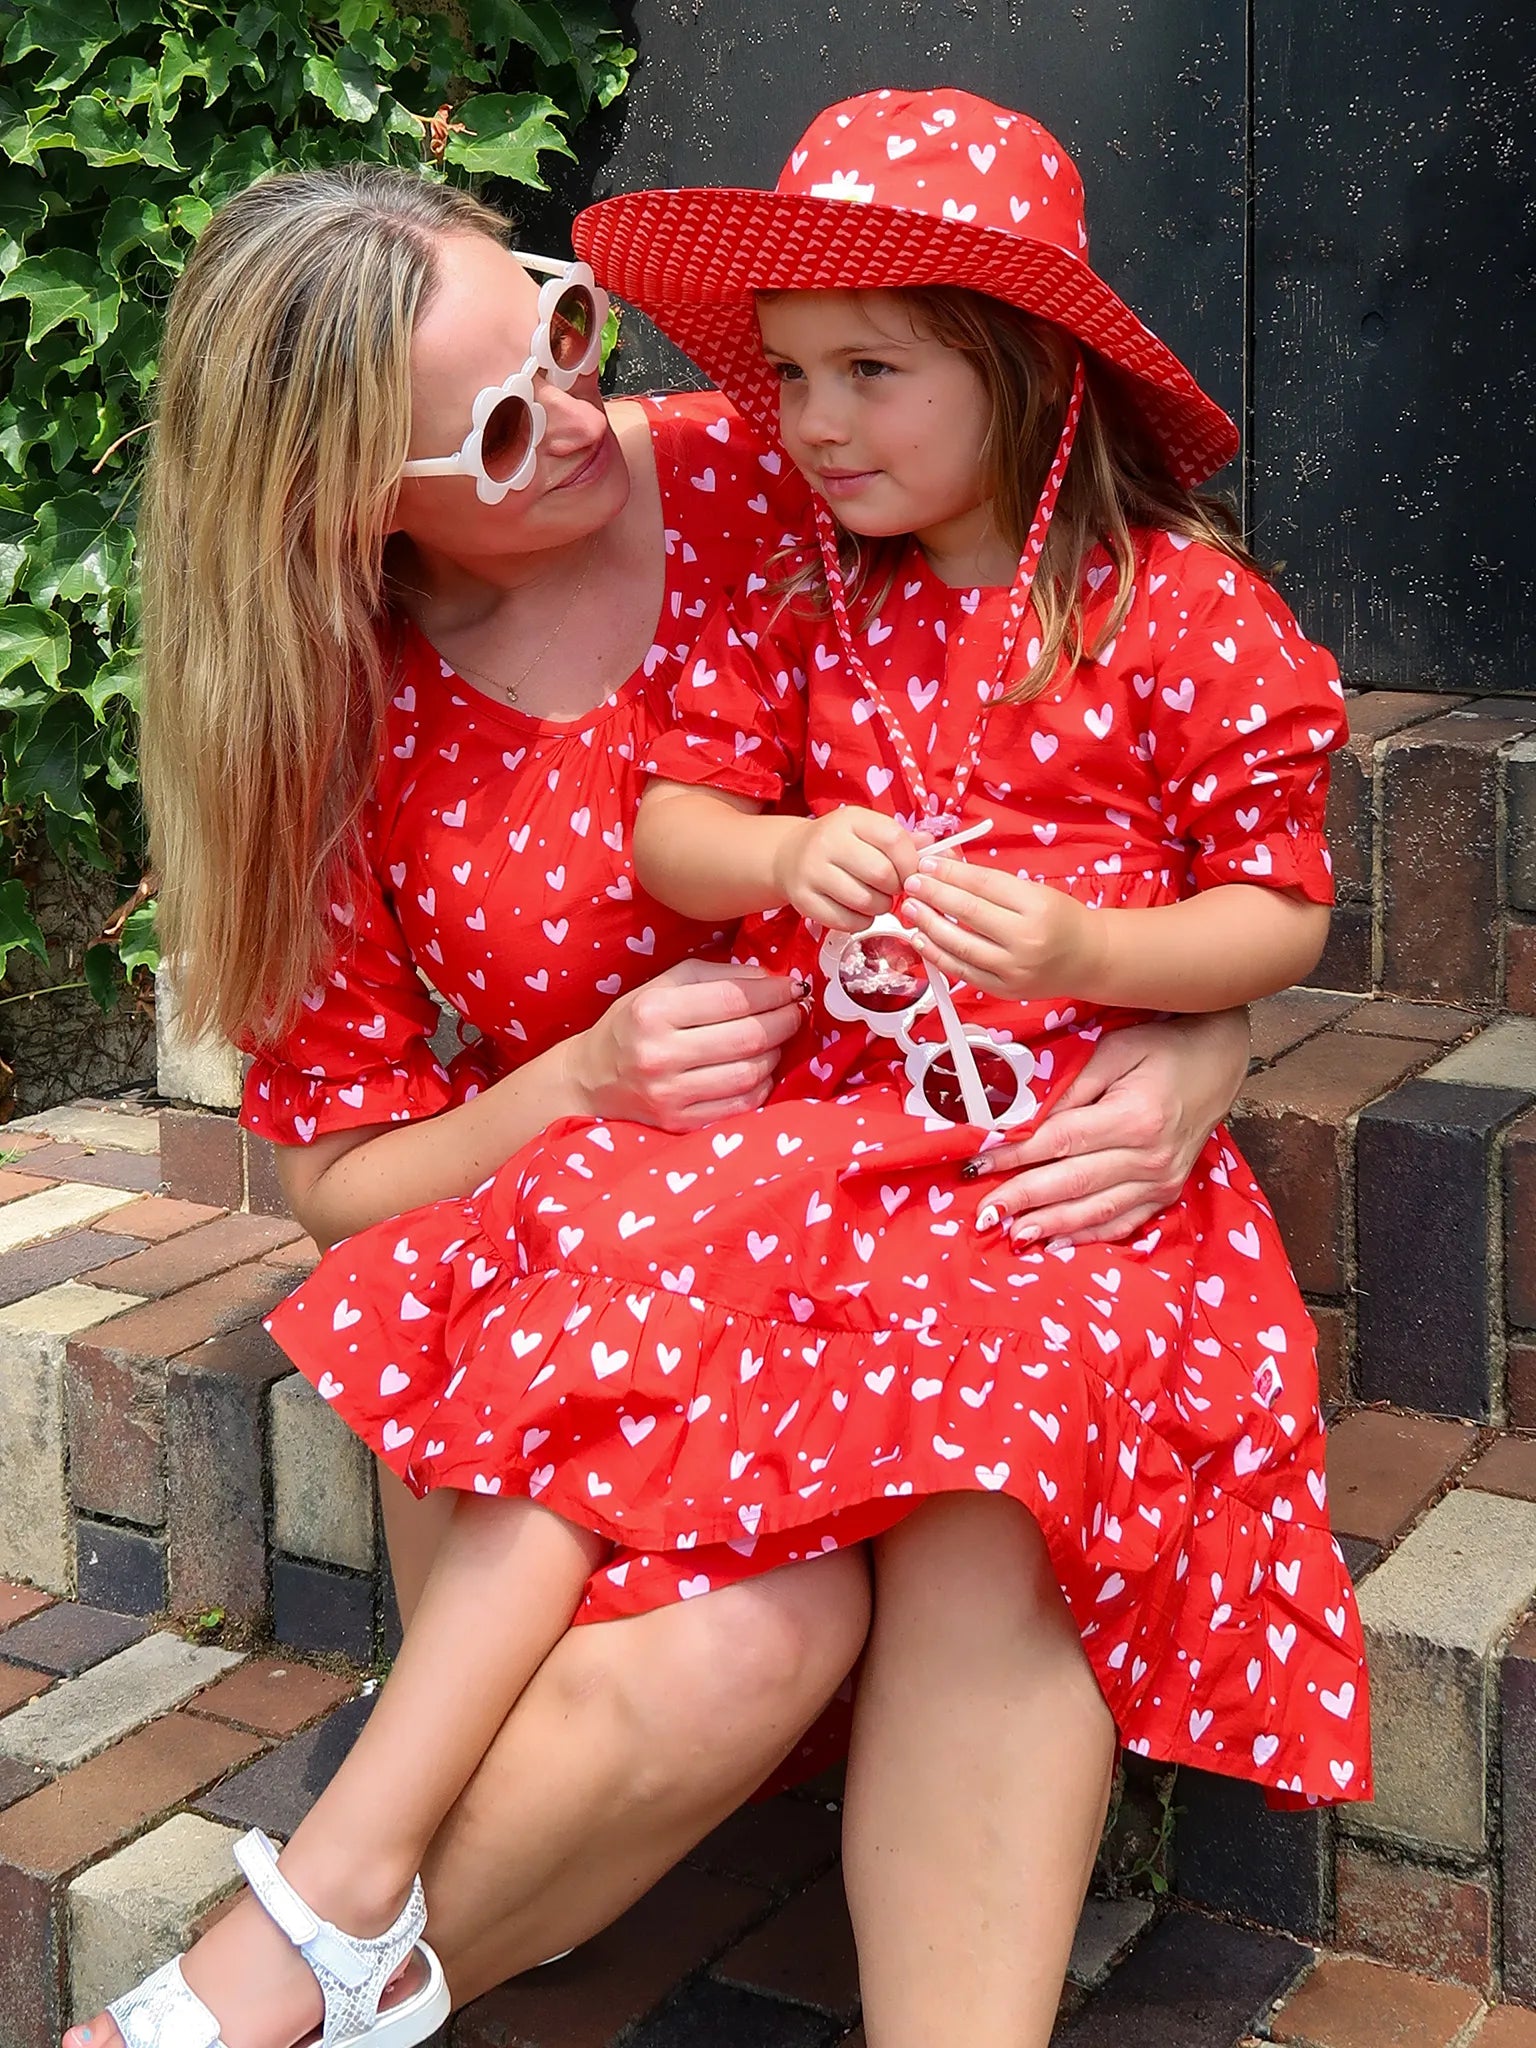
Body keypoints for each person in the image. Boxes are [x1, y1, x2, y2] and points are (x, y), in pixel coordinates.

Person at [75, 145, 1259, 2048]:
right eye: (486, 432)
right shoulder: (335, 722)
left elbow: (1137, 729)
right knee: (743, 1641)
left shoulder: (773, 460)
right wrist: (578, 1080)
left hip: (893, 1222)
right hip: (582, 1287)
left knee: (1002, 1484)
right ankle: (314, 1966)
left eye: (559, 334)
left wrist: (1201, 1040)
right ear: (340, 504)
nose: (572, 422)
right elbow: (337, 1182)